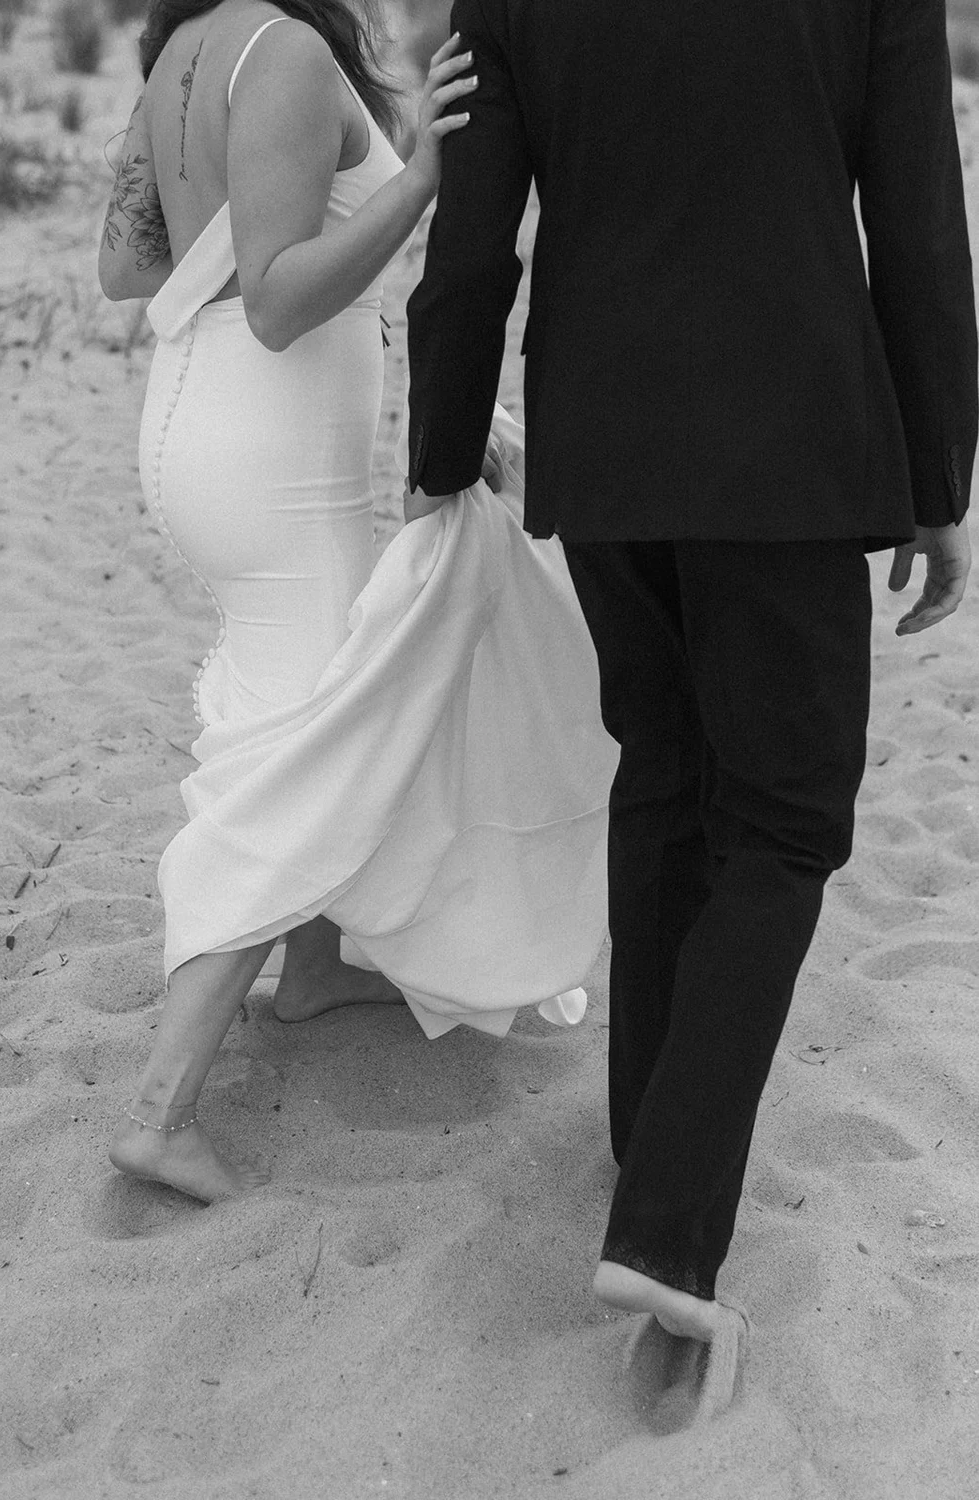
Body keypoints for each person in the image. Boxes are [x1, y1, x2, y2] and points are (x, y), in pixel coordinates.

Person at [406, 0, 977, 1374]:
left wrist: (436, 455)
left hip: (603, 446)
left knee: (665, 784)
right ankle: (664, 1230)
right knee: (784, 822)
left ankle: (643, 1149)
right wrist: (937, 479)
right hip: (790, 443)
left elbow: (472, 238)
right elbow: (918, 227)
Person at [98, 0, 617, 1204]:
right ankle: (160, 1108)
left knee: (297, 703)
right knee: (315, 747)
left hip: (199, 424)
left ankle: (318, 969)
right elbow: (280, 306)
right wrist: (422, 179)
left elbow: (128, 264)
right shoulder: (279, 53)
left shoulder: (183, 48)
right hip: (264, 451)